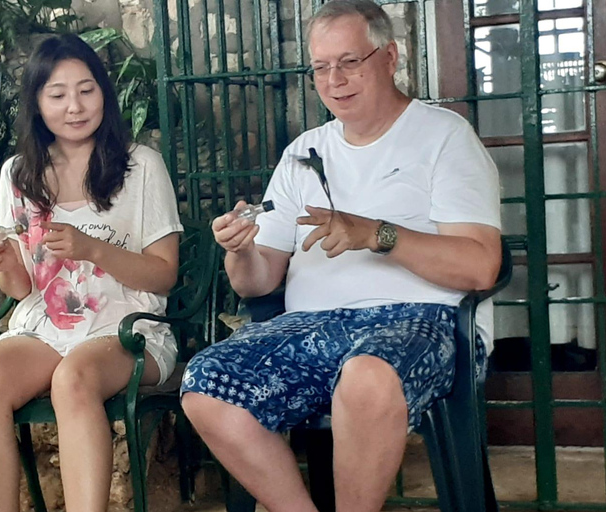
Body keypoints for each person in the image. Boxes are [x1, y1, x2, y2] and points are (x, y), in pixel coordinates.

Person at [180, 1, 502, 511]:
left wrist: (378, 234)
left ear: (391, 56)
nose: (335, 80)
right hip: (308, 326)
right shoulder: (302, 153)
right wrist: (239, 252)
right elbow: (258, 283)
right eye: (321, 67)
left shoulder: (443, 137)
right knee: (207, 382)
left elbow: (481, 265)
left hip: (422, 321)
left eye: (350, 61)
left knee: (368, 374)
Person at [0, 33, 183, 512]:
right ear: (37, 104)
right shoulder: (18, 173)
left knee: (73, 377)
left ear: (104, 92)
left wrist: (92, 249)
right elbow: (22, 288)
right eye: (57, 95)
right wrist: (2, 264)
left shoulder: (141, 166)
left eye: (86, 90)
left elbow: (164, 276)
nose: (75, 106)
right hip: (47, 327)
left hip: (130, 327)